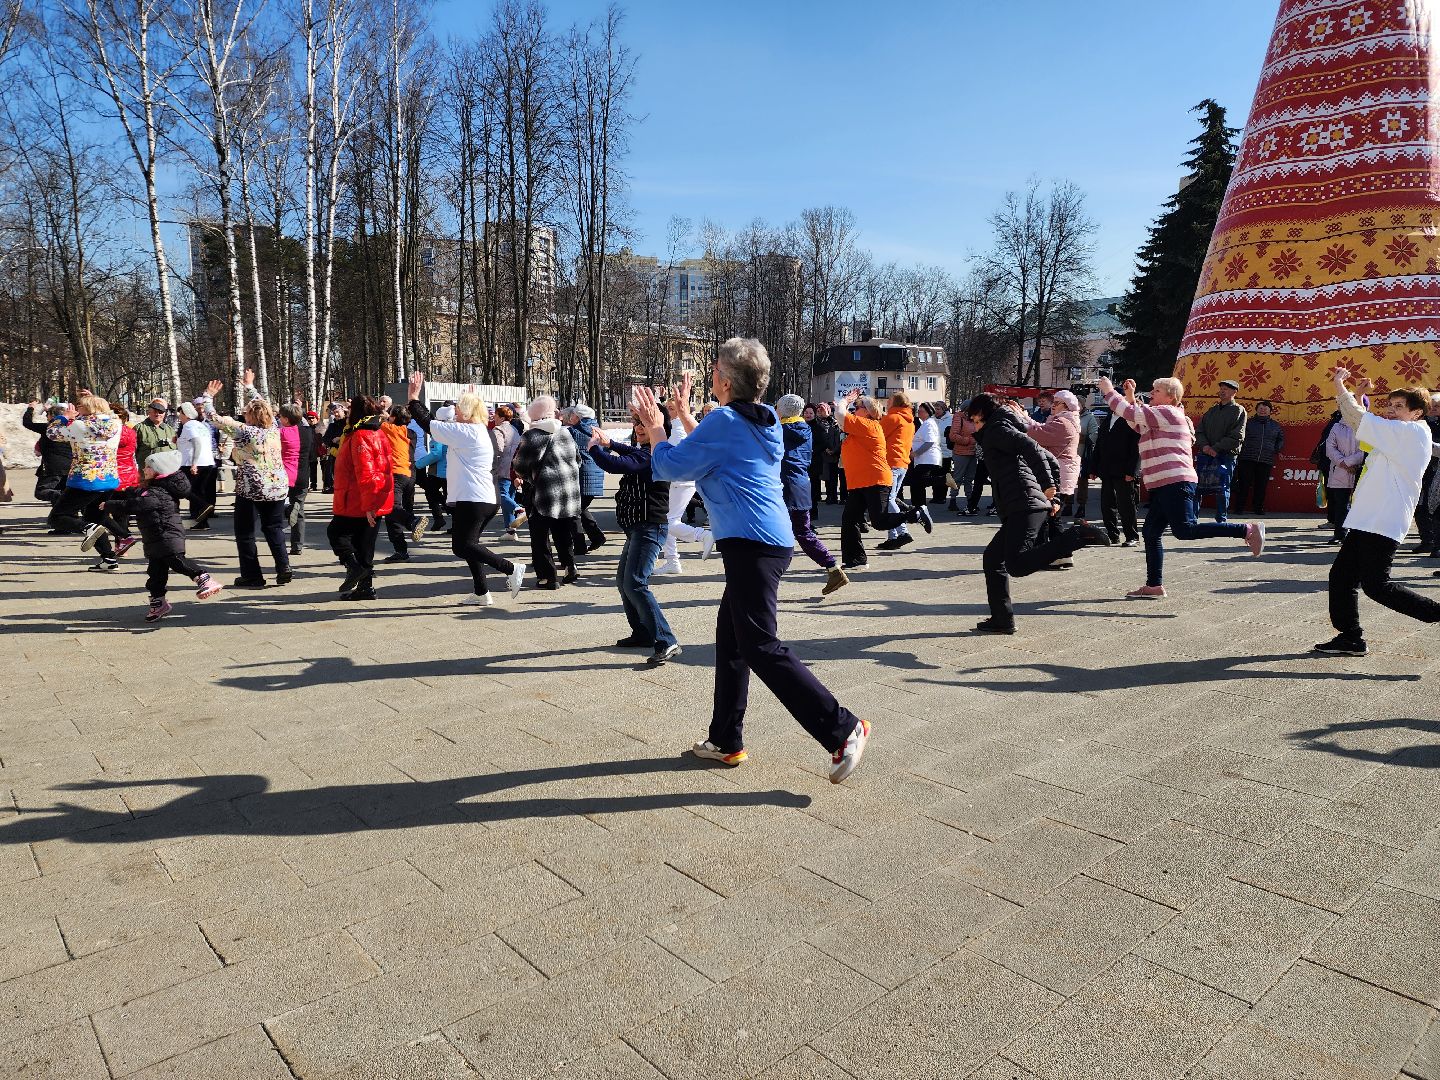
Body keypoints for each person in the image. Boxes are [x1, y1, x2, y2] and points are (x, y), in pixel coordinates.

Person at [640, 339, 872, 783]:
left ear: (724, 381)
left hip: (753, 545)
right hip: (766, 540)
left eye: (714, 372)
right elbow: (721, 446)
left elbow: (671, 466)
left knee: (759, 646)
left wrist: (657, 425)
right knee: (731, 641)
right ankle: (726, 740)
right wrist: (685, 416)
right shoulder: (760, 418)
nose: (711, 377)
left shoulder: (727, 420)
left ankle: (842, 727)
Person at [1098, 375, 1263, 599]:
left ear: (1171, 396)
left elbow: (1132, 414)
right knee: (1151, 532)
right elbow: (1136, 423)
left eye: (1156, 390)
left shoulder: (1168, 413)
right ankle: (1154, 586)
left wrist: (1109, 391)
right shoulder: (1160, 415)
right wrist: (1129, 397)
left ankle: (1246, 530)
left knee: (1186, 530)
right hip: (1164, 484)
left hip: (1175, 482)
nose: (1151, 393)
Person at [1315, 371, 1440, 655]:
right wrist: (1358, 396)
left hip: (1383, 519)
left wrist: (1340, 386)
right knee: (1341, 577)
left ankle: (1435, 612)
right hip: (1367, 518)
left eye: (1399, 407)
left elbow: (1360, 420)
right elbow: (1361, 426)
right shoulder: (1396, 433)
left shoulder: (1412, 432)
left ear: (1417, 412)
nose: (1391, 411)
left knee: (1376, 585)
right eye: (1390, 405)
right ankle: (1351, 637)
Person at [966, 394, 1111, 633]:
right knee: (993, 559)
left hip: (1023, 503)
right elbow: (1049, 457)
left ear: (981, 414)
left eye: (973, 418)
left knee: (1017, 565)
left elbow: (1032, 447)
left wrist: (1047, 486)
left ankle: (1077, 535)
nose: (973, 424)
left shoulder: (996, 429)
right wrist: (1051, 495)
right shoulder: (1002, 428)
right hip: (1023, 504)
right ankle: (1002, 619)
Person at [406, 374, 526, 606]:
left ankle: (511, 568)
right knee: (471, 546)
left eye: (460, 410)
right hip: (483, 498)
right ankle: (482, 592)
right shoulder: (481, 430)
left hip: (474, 499)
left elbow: (429, 423)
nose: (456, 414)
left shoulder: (467, 432)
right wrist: (470, 396)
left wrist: (413, 397)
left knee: (462, 546)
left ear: (469, 413)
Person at [588, 411, 681, 663]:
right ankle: (642, 633)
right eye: (637, 423)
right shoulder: (644, 450)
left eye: (645, 423)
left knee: (635, 583)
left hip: (649, 527)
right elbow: (630, 453)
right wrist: (611, 443)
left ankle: (667, 640)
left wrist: (596, 448)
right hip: (637, 528)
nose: (639, 427)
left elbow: (616, 464)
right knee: (624, 582)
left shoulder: (653, 454)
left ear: (660, 426)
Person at [99, 450, 223, 621]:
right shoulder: (154, 488)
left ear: (159, 470)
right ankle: (159, 603)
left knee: (177, 560)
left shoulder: (158, 492)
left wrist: (110, 504)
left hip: (167, 534)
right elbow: (135, 495)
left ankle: (203, 578)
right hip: (155, 538)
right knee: (155, 574)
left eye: (148, 467)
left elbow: (137, 504)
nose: (144, 469)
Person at [201, 375, 292, 588]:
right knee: (274, 528)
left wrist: (208, 396)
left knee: (245, 532)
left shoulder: (243, 431)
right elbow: (264, 405)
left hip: (251, 487)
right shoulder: (274, 429)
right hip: (277, 486)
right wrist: (250, 387)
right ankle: (284, 567)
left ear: (250, 416)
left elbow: (214, 417)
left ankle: (252, 575)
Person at [836, 388, 932, 568]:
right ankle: (855, 560)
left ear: (869, 411)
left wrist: (845, 400)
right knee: (849, 520)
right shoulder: (860, 427)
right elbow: (840, 421)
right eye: (854, 406)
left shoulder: (870, 425)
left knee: (879, 522)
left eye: (858, 406)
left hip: (875, 480)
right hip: (859, 481)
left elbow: (840, 414)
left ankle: (915, 513)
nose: (854, 409)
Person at [777, 394, 847, 595]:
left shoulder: (781, 431)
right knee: (794, 532)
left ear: (782, 410)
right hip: (800, 485)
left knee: (796, 532)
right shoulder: (805, 428)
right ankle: (831, 568)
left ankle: (832, 568)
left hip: (786, 487)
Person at [47, 395, 127, 569]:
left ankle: (87, 528)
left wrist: (64, 417)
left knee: (57, 517)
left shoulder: (79, 425)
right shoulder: (116, 424)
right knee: (95, 517)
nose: (77, 409)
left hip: (85, 479)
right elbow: (104, 415)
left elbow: (52, 434)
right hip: (108, 478)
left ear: (88, 409)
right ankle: (109, 559)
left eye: (80, 406)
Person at [512, 395, 581, 589]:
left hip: (544, 493)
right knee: (563, 531)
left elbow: (520, 465)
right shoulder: (565, 433)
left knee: (540, 536)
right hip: (568, 492)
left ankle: (548, 577)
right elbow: (578, 459)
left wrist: (527, 477)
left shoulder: (532, 436)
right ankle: (570, 567)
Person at [328, 395, 394, 600]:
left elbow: (367, 472)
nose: (346, 413)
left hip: (357, 498)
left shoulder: (361, 435)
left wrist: (369, 505)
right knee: (364, 544)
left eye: (349, 410)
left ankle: (354, 568)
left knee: (337, 533)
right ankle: (365, 587)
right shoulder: (376, 431)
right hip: (365, 497)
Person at [654, 390, 716, 576]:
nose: (669, 411)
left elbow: (672, 456)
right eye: (668, 408)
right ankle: (672, 560)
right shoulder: (675, 427)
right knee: (668, 520)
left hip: (679, 481)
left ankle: (702, 535)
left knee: (667, 521)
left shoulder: (679, 429)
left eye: (672, 408)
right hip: (679, 480)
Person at [1019, 389, 1082, 516]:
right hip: (1058, 473)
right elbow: (1040, 429)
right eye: (1053, 402)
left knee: (1051, 517)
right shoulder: (1061, 420)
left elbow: (1038, 433)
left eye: (1057, 403)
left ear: (1067, 406)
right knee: (1051, 518)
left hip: (1058, 474)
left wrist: (1022, 417)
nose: (1053, 405)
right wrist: (1024, 417)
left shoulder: (1064, 423)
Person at [1194, 379, 1248, 522]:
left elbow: (1237, 436)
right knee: (1197, 487)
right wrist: (1205, 446)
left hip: (1226, 456)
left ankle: (1221, 520)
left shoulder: (1238, 410)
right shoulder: (1211, 411)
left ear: (1234, 392)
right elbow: (1199, 432)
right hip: (1206, 454)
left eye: (1227, 389)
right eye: (1221, 388)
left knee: (1222, 489)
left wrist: (1216, 448)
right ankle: (1192, 519)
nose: (1223, 391)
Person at [377, 404, 425, 563]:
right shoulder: (410, 432)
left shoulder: (389, 429)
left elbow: (375, 421)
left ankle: (413, 521)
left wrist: (382, 414)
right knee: (391, 515)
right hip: (410, 474)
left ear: (394, 418)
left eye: (391, 415)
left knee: (391, 507)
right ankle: (401, 550)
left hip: (396, 474)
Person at [1092, 397, 1141, 547]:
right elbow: (1099, 445)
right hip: (1106, 469)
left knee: (1126, 505)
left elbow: (1136, 447)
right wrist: (1093, 468)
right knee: (1107, 505)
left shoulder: (1131, 419)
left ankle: (1132, 536)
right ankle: (1113, 535)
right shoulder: (1108, 419)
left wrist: (1132, 471)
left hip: (1124, 470)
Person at [563, 405, 607, 553]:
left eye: (573, 415)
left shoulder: (574, 432)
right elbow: (607, 449)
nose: (571, 418)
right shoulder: (598, 431)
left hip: (582, 476)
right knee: (581, 508)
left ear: (579, 417)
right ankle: (597, 537)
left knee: (574, 512)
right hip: (596, 476)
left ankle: (580, 546)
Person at [1232, 400, 1285, 516]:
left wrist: (1276, 449)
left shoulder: (1275, 426)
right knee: (1243, 484)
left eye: (1265, 409)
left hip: (1266, 459)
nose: (1263, 410)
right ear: (1256, 410)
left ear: (1270, 411)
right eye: (1260, 408)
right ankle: (1239, 508)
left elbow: (1280, 439)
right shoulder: (1248, 422)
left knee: (1261, 486)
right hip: (1247, 457)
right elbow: (1239, 436)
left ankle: (1258, 508)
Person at [878, 391, 917, 549]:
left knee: (888, 500)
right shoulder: (909, 420)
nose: (887, 403)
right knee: (890, 499)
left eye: (889, 400)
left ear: (896, 402)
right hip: (902, 463)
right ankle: (893, 537)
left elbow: (877, 435)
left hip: (890, 462)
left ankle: (902, 532)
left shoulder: (892, 418)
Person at [278, 405, 314, 555]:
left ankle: (288, 510)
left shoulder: (281, 432)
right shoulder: (308, 432)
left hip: (285, 475)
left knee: (278, 510)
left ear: (286, 419)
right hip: (303, 475)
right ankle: (297, 546)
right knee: (299, 510)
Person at [23, 401, 72, 511]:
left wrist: (30, 409)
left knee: (42, 491)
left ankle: (60, 499)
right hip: (70, 466)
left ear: (52, 416)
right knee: (62, 493)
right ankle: (62, 521)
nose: (46, 417)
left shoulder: (48, 428)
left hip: (52, 466)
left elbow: (27, 423)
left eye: (47, 415)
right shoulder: (72, 428)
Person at [176, 400, 218, 529]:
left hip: (192, 463)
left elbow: (197, 443)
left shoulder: (189, 426)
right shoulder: (200, 425)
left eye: (180, 414)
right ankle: (202, 522)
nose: (179, 416)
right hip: (207, 462)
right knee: (199, 491)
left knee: (183, 489)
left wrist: (194, 463)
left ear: (186, 414)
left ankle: (204, 506)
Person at [1324, 413, 1363, 544]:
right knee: (1341, 505)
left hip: (1361, 470)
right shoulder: (1336, 426)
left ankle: (1358, 537)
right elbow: (1330, 448)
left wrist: (1351, 462)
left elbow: (1366, 449)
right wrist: (1343, 463)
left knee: (1361, 506)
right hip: (1340, 471)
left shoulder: (1367, 426)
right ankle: (1340, 534)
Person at [907, 402, 944, 510]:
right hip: (923, 459)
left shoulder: (929, 424)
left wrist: (915, 453)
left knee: (918, 482)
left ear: (928, 412)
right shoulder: (926, 423)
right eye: (918, 410)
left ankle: (942, 480)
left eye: (921, 411)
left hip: (927, 458)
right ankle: (920, 506)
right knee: (918, 483)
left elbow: (929, 442)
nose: (918, 412)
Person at [808, 401, 841, 510]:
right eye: (818, 410)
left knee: (832, 477)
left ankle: (832, 496)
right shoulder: (815, 422)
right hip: (821, 453)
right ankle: (817, 495)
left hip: (833, 453)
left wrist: (834, 449)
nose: (820, 412)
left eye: (822, 410)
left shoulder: (835, 422)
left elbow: (839, 438)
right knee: (819, 476)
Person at [950, 407, 979, 514]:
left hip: (973, 453)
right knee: (957, 478)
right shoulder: (959, 418)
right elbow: (953, 435)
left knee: (970, 479)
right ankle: (952, 500)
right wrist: (968, 440)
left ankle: (970, 501)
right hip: (961, 453)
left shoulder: (975, 419)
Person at [134, 399, 176, 471]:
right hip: (147, 474)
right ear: (149, 411)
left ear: (165, 413)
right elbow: (131, 452)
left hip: (166, 473)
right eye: (155, 410)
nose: (158, 414)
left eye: (161, 411)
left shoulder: (171, 431)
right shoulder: (139, 429)